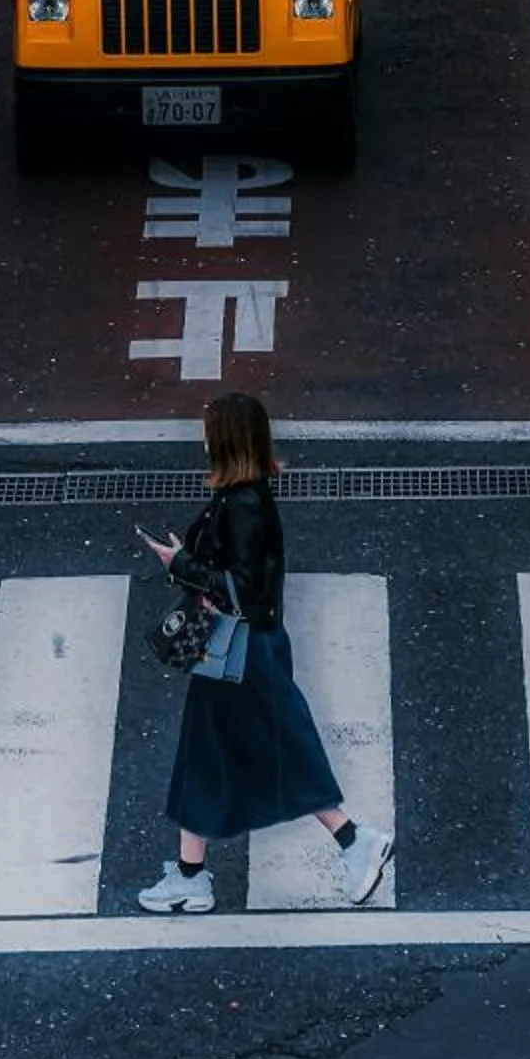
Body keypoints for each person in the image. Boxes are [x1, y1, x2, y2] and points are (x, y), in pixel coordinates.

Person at [136, 392, 393, 915]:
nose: (203, 438)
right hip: (241, 647)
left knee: (266, 752)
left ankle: (353, 840)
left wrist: (181, 562)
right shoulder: (240, 497)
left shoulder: (246, 505)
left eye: (210, 429)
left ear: (225, 438)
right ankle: (192, 875)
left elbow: (245, 591)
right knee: (215, 755)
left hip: (240, 648)